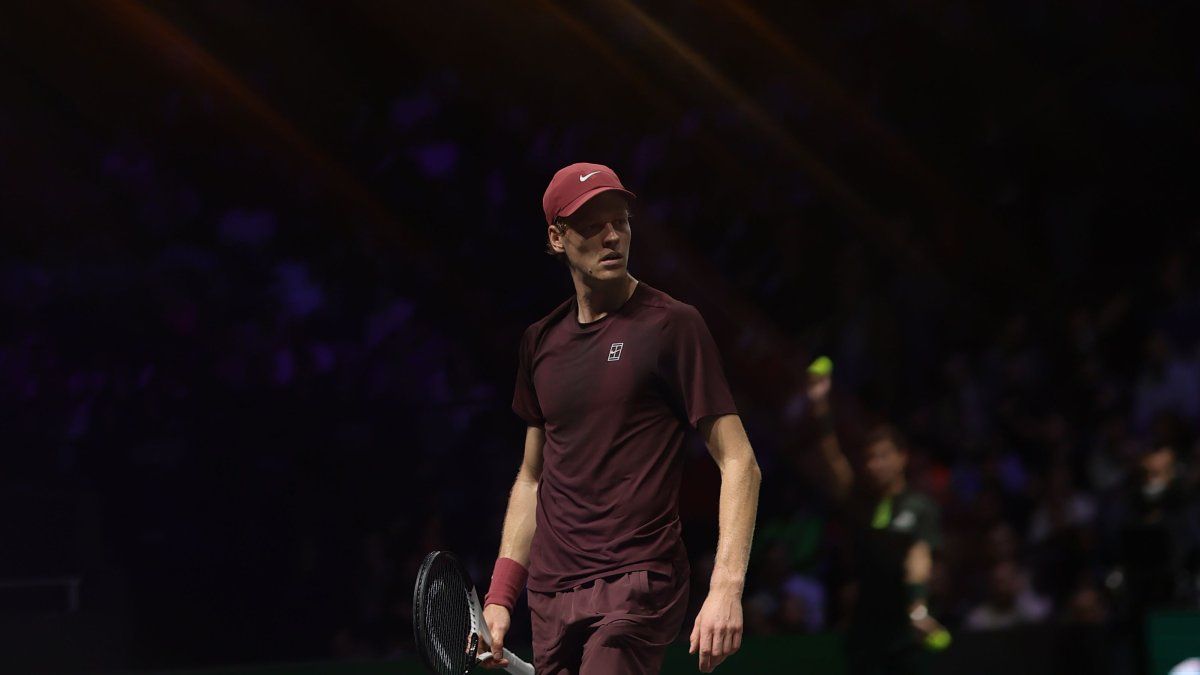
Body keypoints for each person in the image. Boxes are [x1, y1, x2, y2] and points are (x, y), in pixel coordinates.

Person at [480, 162, 762, 674]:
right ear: (557, 238)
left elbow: (740, 461)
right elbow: (532, 477)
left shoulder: (672, 325)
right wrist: (500, 598)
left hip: (638, 582)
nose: (612, 236)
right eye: (592, 225)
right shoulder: (539, 343)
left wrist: (725, 588)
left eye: (621, 221)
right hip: (551, 594)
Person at [804, 360, 945, 675]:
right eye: (869, 458)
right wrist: (820, 409)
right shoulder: (860, 503)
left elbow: (919, 557)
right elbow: (831, 459)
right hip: (864, 634)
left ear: (902, 457)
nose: (874, 465)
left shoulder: (920, 507)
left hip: (905, 635)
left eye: (883, 456)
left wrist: (917, 608)